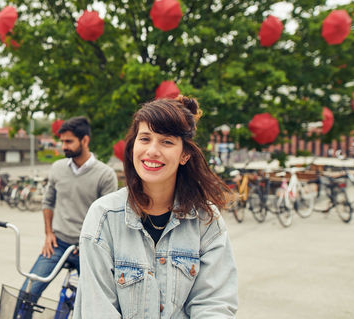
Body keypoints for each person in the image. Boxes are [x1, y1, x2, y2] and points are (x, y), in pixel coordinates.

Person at [73, 97, 238, 318]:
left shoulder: (206, 220)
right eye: (145, 138)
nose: (152, 150)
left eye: (167, 142)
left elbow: (214, 304)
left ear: (185, 155)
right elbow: (97, 308)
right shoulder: (103, 216)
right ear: (133, 147)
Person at [17, 116, 118, 312]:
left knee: (95, 305)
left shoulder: (105, 175)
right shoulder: (57, 168)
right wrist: (48, 234)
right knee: (26, 294)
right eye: (62, 141)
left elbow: (109, 219)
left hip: (89, 248)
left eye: (68, 141)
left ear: (85, 140)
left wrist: (91, 243)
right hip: (58, 244)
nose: (63, 146)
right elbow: (48, 202)